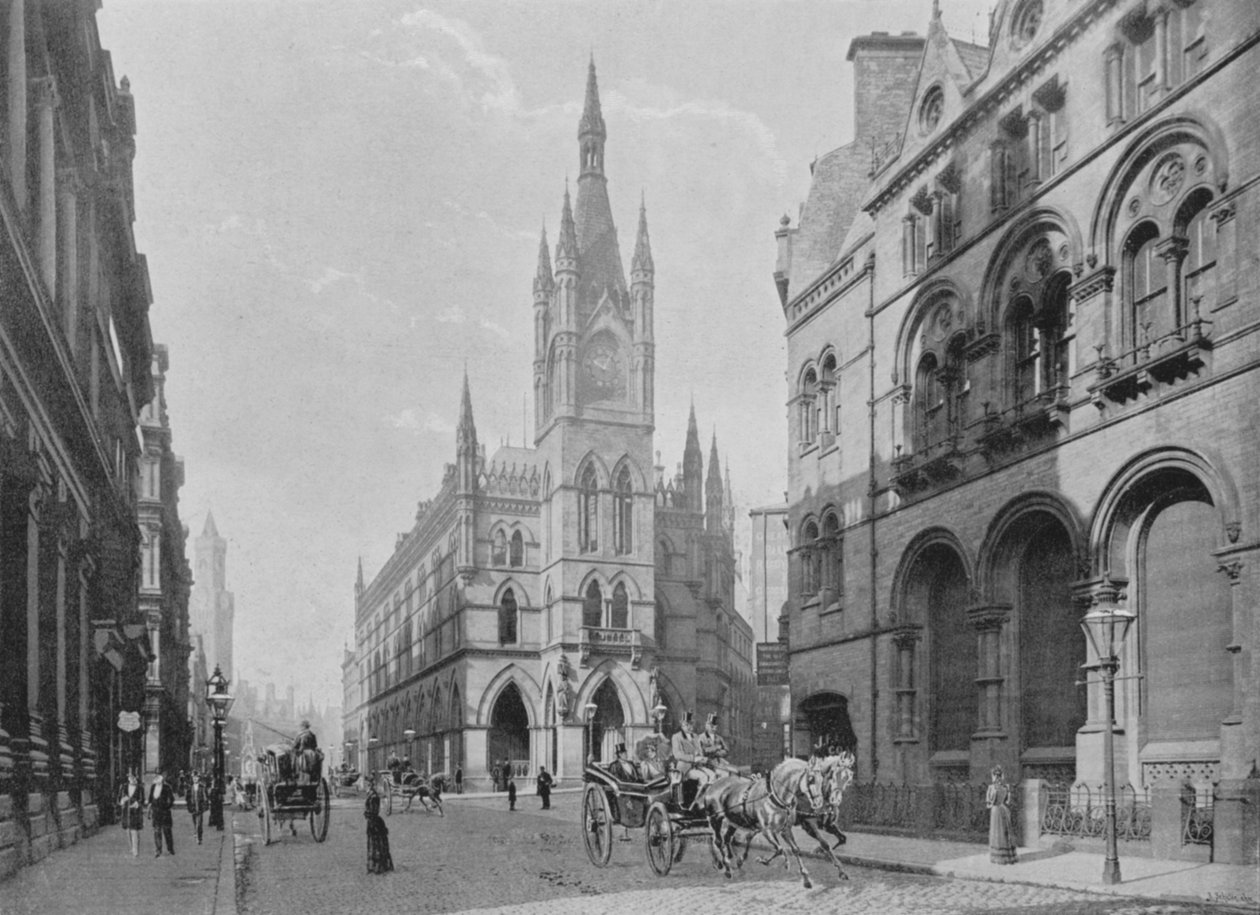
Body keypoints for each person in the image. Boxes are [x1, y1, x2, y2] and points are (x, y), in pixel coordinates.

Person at [670, 711, 714, 811]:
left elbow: (700, 751)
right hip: (684, 768)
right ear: (682, 725)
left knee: (712, 775)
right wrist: (693, 758)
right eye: (687, 725)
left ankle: (704, 800)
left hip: (697, 766)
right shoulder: (676, 737)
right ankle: (698, 804)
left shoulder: (696, 737)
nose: (690, 727)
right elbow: (677, 754)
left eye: (691, 724)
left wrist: (702, 758)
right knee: (703, 777)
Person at [986, 765, 1017, 865]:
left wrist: (992, 802)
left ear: (994, 776)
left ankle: (998, 857)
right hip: (1004, 810)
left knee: (997, 832)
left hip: (996, 811)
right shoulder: (1006, 787)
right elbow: (1008, 801)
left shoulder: (992, 787)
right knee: (1004, 832)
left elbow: (989, 803)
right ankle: (1008, 856)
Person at [364, 786, 393, 874]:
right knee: (374, 844)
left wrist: (368, 815)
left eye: (367, 785)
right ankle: (375, 866)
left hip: (374, 822)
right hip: (372, 821)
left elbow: (374, 811)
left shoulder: (373, 797)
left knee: (377, 844)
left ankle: (378, 866)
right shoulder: (372, 795)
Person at [148, 770, 176, 857]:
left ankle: (170, 848)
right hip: (156, 813)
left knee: (167, 831)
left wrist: (167, 807)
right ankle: (158, 850)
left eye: (159, 777)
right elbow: (150, 798)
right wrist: (150, 807)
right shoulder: (153, 787)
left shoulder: (167, 787)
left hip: (165, 813)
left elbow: (171, 799)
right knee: (157, 831)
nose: (158, 779)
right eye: (156, 777)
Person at [117, 772, 145, 857]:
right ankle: (132, 847)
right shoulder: (124, 787)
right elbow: (119, 798)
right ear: (128, 778)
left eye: (134, 778)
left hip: (136, 811)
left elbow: (142, 799)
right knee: (128, 830)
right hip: (126, 811)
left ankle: (135, 850)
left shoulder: (140, 788)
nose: (133, 779)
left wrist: (137, 803)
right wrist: (122, 801)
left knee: (134, 830)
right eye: (131, 777)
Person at [186, 771, 210, 845]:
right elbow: (188, 798)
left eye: (196, 777)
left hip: (199, 807)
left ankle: (199, 838)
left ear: (199, 778)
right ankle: (196, 832)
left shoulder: (202, 787)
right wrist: (189, 806)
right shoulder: (190, 788)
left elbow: (205, 797)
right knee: (195, 822)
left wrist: (205, 806)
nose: (195, 779)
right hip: (193, 807)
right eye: (193, 777)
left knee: (199, 823)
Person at [293, 720, 319, 786]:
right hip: (312, 754)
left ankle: (295, 773)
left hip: (303, 753)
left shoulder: (300, 734)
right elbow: (315, 745)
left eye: (301, 726)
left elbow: (295, 745)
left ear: (303, 726)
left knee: (293, 757)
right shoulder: (312, 735)